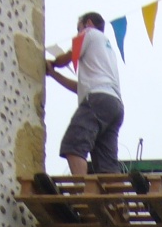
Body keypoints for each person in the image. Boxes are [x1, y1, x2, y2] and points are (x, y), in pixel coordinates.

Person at [47, 13, 124, 176]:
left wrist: (53, 63)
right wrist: (53, 74)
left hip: (98, 99)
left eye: (78, 28)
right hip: (114, 105)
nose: (77, 33)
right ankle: (114, 200)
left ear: (88, 23)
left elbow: (69, 56)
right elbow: (80, 88)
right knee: (107, 164)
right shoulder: (107, 50)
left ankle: (81, 191)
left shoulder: (89, 33)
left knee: (73, 145)